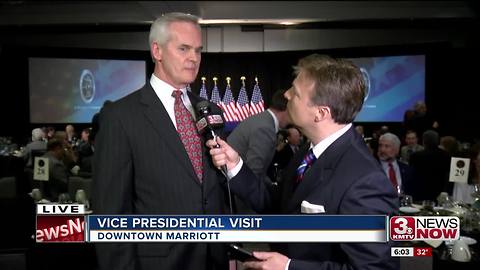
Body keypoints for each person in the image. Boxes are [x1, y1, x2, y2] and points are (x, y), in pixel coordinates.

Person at [208, 54, 398, 269]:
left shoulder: (365, 181)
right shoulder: (308, 151)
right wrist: (235, 166)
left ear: (320, 113)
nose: (286, 94)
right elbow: (280, 205)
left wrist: (289, 267)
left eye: (296, 93)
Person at [93, 13, 228, 270]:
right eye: (183, 48)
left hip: (213, 258)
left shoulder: (210, 110)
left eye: (198, 50)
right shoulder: (121, 116)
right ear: (157, 50)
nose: (194, 58)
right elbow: (111, 214)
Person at [227, 89, 290, 213]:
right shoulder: (265, 127)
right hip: (240, 197)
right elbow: (254, 171)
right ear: (286, 109)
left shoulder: (263, 120)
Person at [377, 132, 414, 196]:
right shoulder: (371, 168)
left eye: (387, 146)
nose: (382, 150)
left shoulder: (407, 169)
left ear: (397, 149)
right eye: (380, 145)